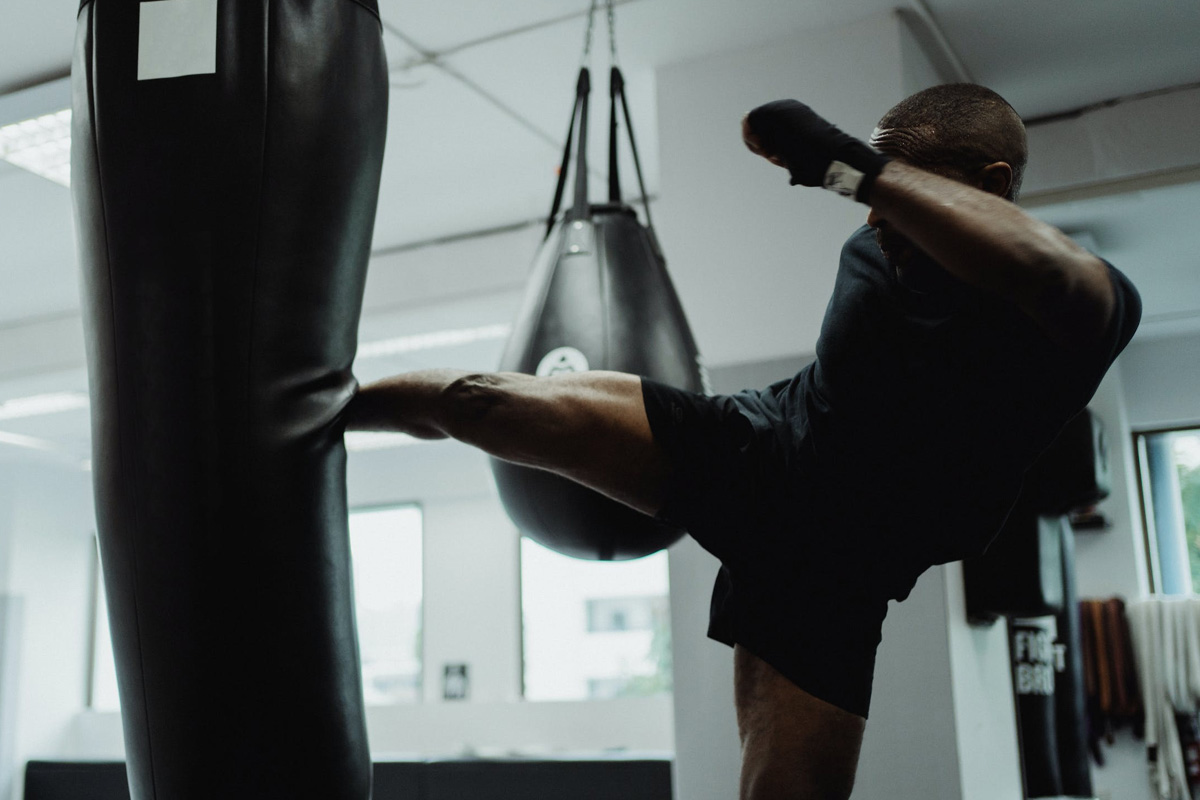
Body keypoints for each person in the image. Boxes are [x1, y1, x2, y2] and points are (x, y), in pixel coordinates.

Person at [346, 84, 1141, 800]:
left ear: (993, 185)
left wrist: (860, 170)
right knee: (480, 403)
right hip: (754, 446)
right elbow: (872, 213)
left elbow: (1050, 270)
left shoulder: (1078, 313)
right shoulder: (875, 241)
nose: (873, 220)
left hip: (838, 572)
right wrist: (840, 176)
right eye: (869, 191)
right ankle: (296, 410)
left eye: (894, 189)